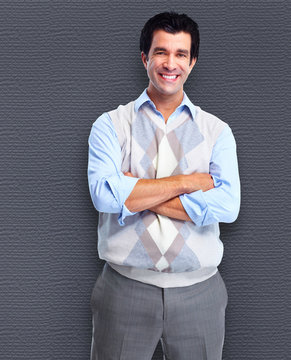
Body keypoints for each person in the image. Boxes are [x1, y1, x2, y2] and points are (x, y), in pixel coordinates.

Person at [87, 12, 240, 360]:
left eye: (181, 54)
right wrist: (188, 183)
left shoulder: (217, 131)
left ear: (193, 61)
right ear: (145, 58)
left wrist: (135, 192)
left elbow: (227, 206)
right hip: (123, 290)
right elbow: (104, 196)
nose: (170, 63)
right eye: (161, 52)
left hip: (200, 292)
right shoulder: (111, 125)